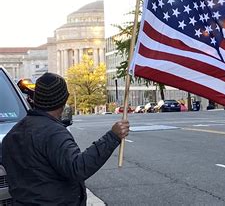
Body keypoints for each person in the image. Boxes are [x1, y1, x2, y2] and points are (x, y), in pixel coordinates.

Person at [2, 72, 130, 205]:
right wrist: (113, 136)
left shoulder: (12, 135)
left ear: (36, 98)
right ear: (63, 101)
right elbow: (78, 168)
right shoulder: (53, 133)